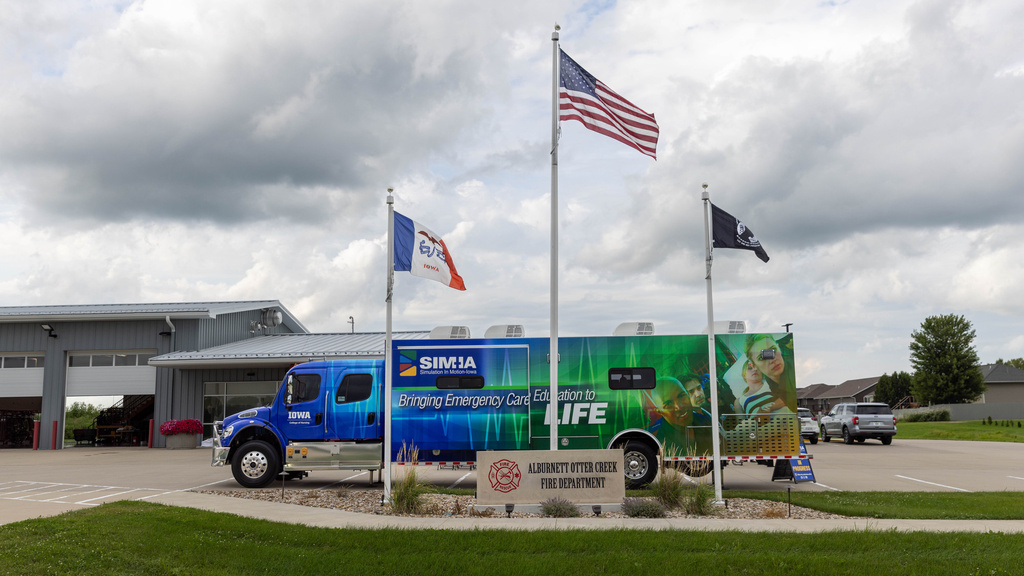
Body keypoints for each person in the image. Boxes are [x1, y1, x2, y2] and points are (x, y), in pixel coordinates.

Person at [645, 376, 714, 457]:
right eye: (668, 404)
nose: (679, 406)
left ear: (688, 395)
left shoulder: (704, 420)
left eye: (681, 396)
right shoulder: (662, 443)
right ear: (660, 412)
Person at [743, 333, 795, 413]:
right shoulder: (770, 379)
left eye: (773, 350)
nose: (772, 360)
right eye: (761, 357)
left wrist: (768, 408)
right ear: (753, 365)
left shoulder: (792, 375)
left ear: (779, 347)